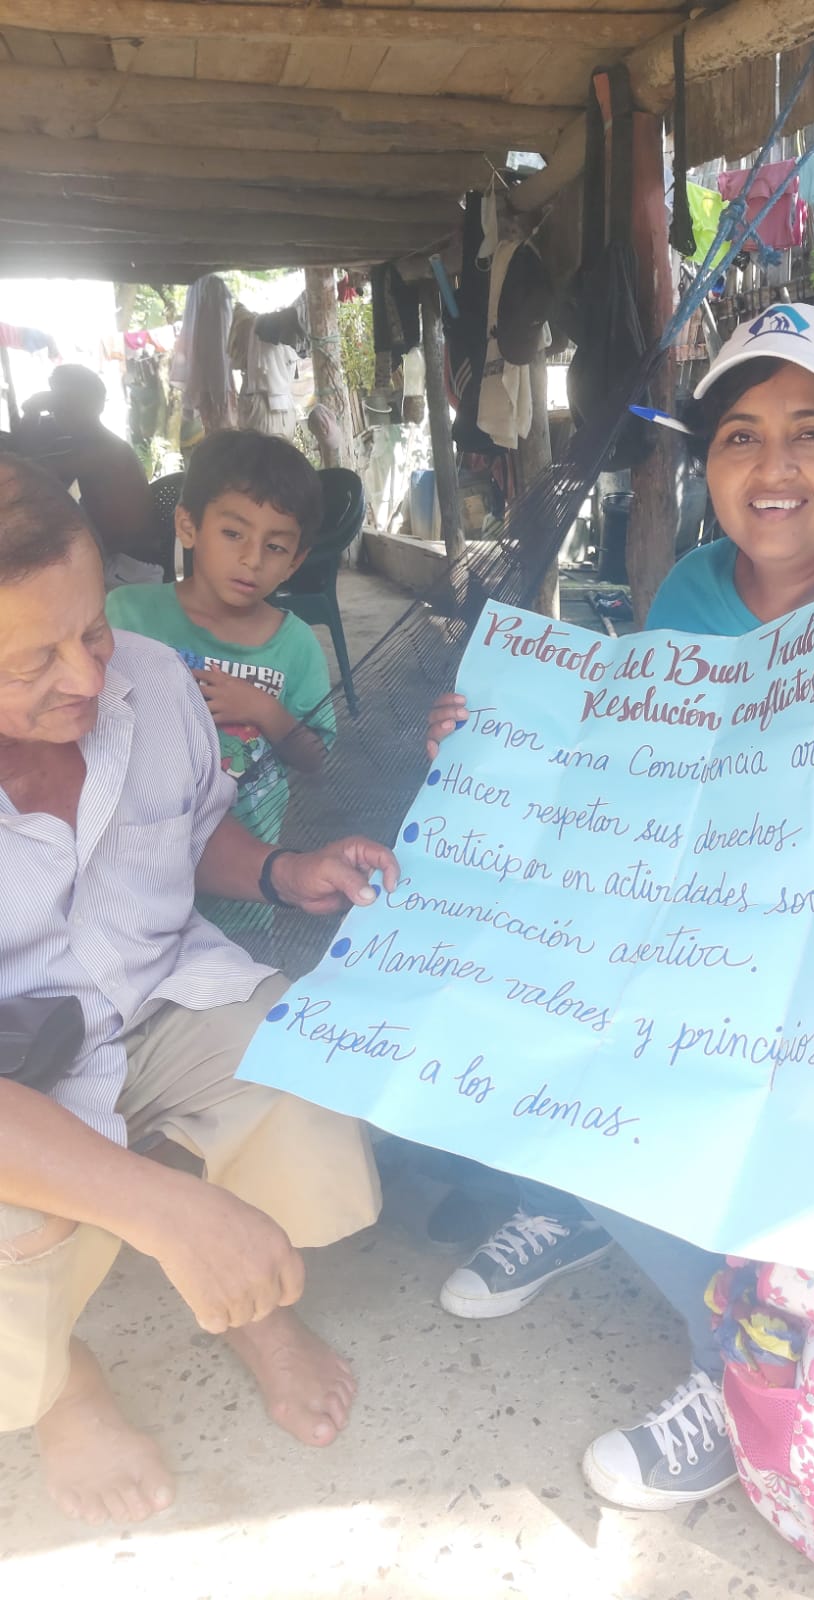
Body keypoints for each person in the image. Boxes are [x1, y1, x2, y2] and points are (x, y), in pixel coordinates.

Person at [423, 303, 814, 1509]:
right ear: (707, 463)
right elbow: (643, 792)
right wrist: (503, 748)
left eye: (812, 430)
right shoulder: (694, 591)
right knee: (535, 1022)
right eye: (741, 435)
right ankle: (596, 1210)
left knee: (761, 1117)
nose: (774, 465)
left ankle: (738, 1367)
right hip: (707, 938)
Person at [0, 453, 398, 1526]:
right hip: (13, 1073)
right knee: (13, 1234)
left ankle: (251, 1309)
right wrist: (165, 1210)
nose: (89, 680)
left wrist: (283, 872)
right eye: (32, 662)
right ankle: (60, 1384)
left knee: (299, 1059)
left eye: (90, 631)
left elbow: (185, 827)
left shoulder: (152, 674)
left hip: (156, 986)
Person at [106, 431, 335, 944]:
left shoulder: (296, 647)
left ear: (296, 560)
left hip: (244, 892)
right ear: (188, 525)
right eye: (234, 533)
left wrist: (264, 710)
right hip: (134, 878)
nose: (253, 559)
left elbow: (315, 758)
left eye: (275, 546)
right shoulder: (127, 616)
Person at [18, 365, 158, 572]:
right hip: (117, 553)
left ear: (91, 406)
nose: (58, 410)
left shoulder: (101, 450)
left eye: (65, 402)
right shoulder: (86, 442)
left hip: (131, 563)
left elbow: (27, 474)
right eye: (56, 403)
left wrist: (31, 414)